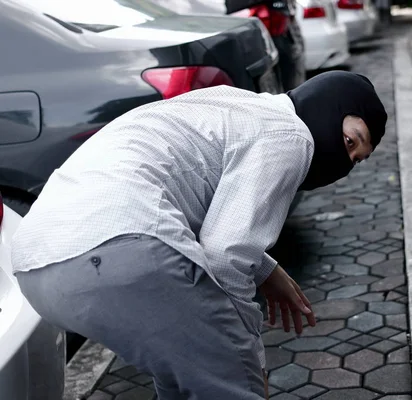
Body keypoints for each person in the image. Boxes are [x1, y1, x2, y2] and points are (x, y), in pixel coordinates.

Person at [11, 71, 387, 399]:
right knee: (232, 383)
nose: (343, 161)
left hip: (37, 265)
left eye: (355, 160)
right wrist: (249, 364)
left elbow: (199, 190)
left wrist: (265, 269)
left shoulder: (235, 103)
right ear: (329, 105)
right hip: (119, 244)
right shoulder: (292, 135)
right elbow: (226, 257)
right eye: (350, 140)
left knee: (184, 379)